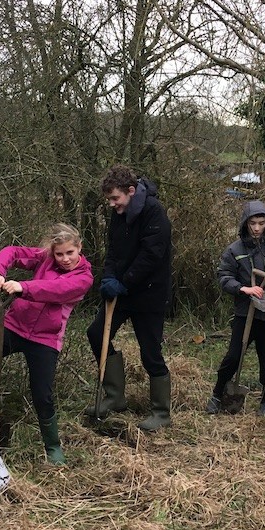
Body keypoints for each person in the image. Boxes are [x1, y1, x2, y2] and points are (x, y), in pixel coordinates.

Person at [0, 223, 93, 466]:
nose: (65, 259)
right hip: (14, 326)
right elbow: (12, 252)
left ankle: (52, 446)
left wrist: (23, 287)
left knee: (42, 394)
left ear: (79, 248)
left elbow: (57, 289)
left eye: (70, 252)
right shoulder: (45, 259)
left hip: (46, 338)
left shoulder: (83, 278)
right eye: (59, 254)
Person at [86, 164, 173, 431]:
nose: (112, 204)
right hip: (122, 291)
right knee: (96, 333)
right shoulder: (119, 214)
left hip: (149, 294)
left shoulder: (154, 212)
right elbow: (113, 251)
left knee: (150, 352)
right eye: (109, 200)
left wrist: (124, 282)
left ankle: (161, 412)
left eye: (115, 198)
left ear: (131, 191)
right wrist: (109, 278)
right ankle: (115, 397)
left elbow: (152, 255)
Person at [209, 200, 265, 417]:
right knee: (233, 357)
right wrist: (243, 288)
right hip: (245, 314)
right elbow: (224, 276)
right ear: (245, 223)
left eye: (261, 223)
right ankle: (217, 394)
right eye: (252, 223)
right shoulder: (234, 250)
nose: (256, 228)